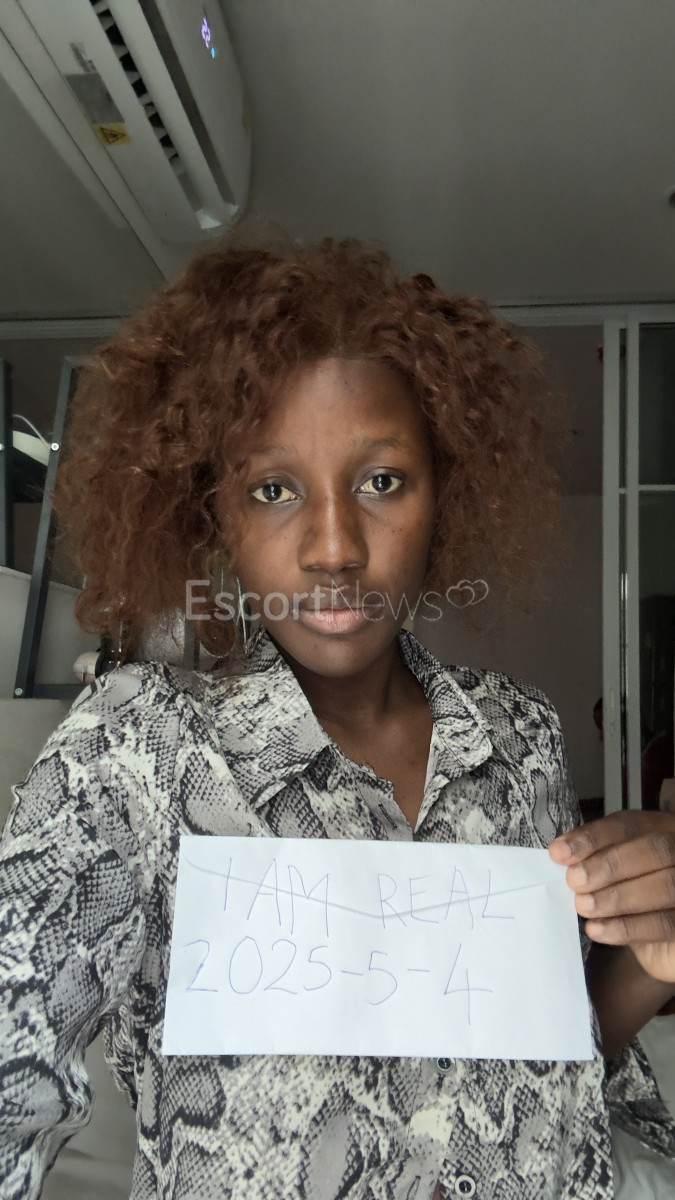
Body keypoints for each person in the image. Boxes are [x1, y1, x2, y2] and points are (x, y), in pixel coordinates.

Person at [1, 239, 675, 1200]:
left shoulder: (516, 733)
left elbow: (541, 1070)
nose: (333, 548)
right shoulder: (136, 751)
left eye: (381, 481)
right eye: (272, 489)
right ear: (217, 516)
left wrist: (647, 964)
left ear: (444, 494)